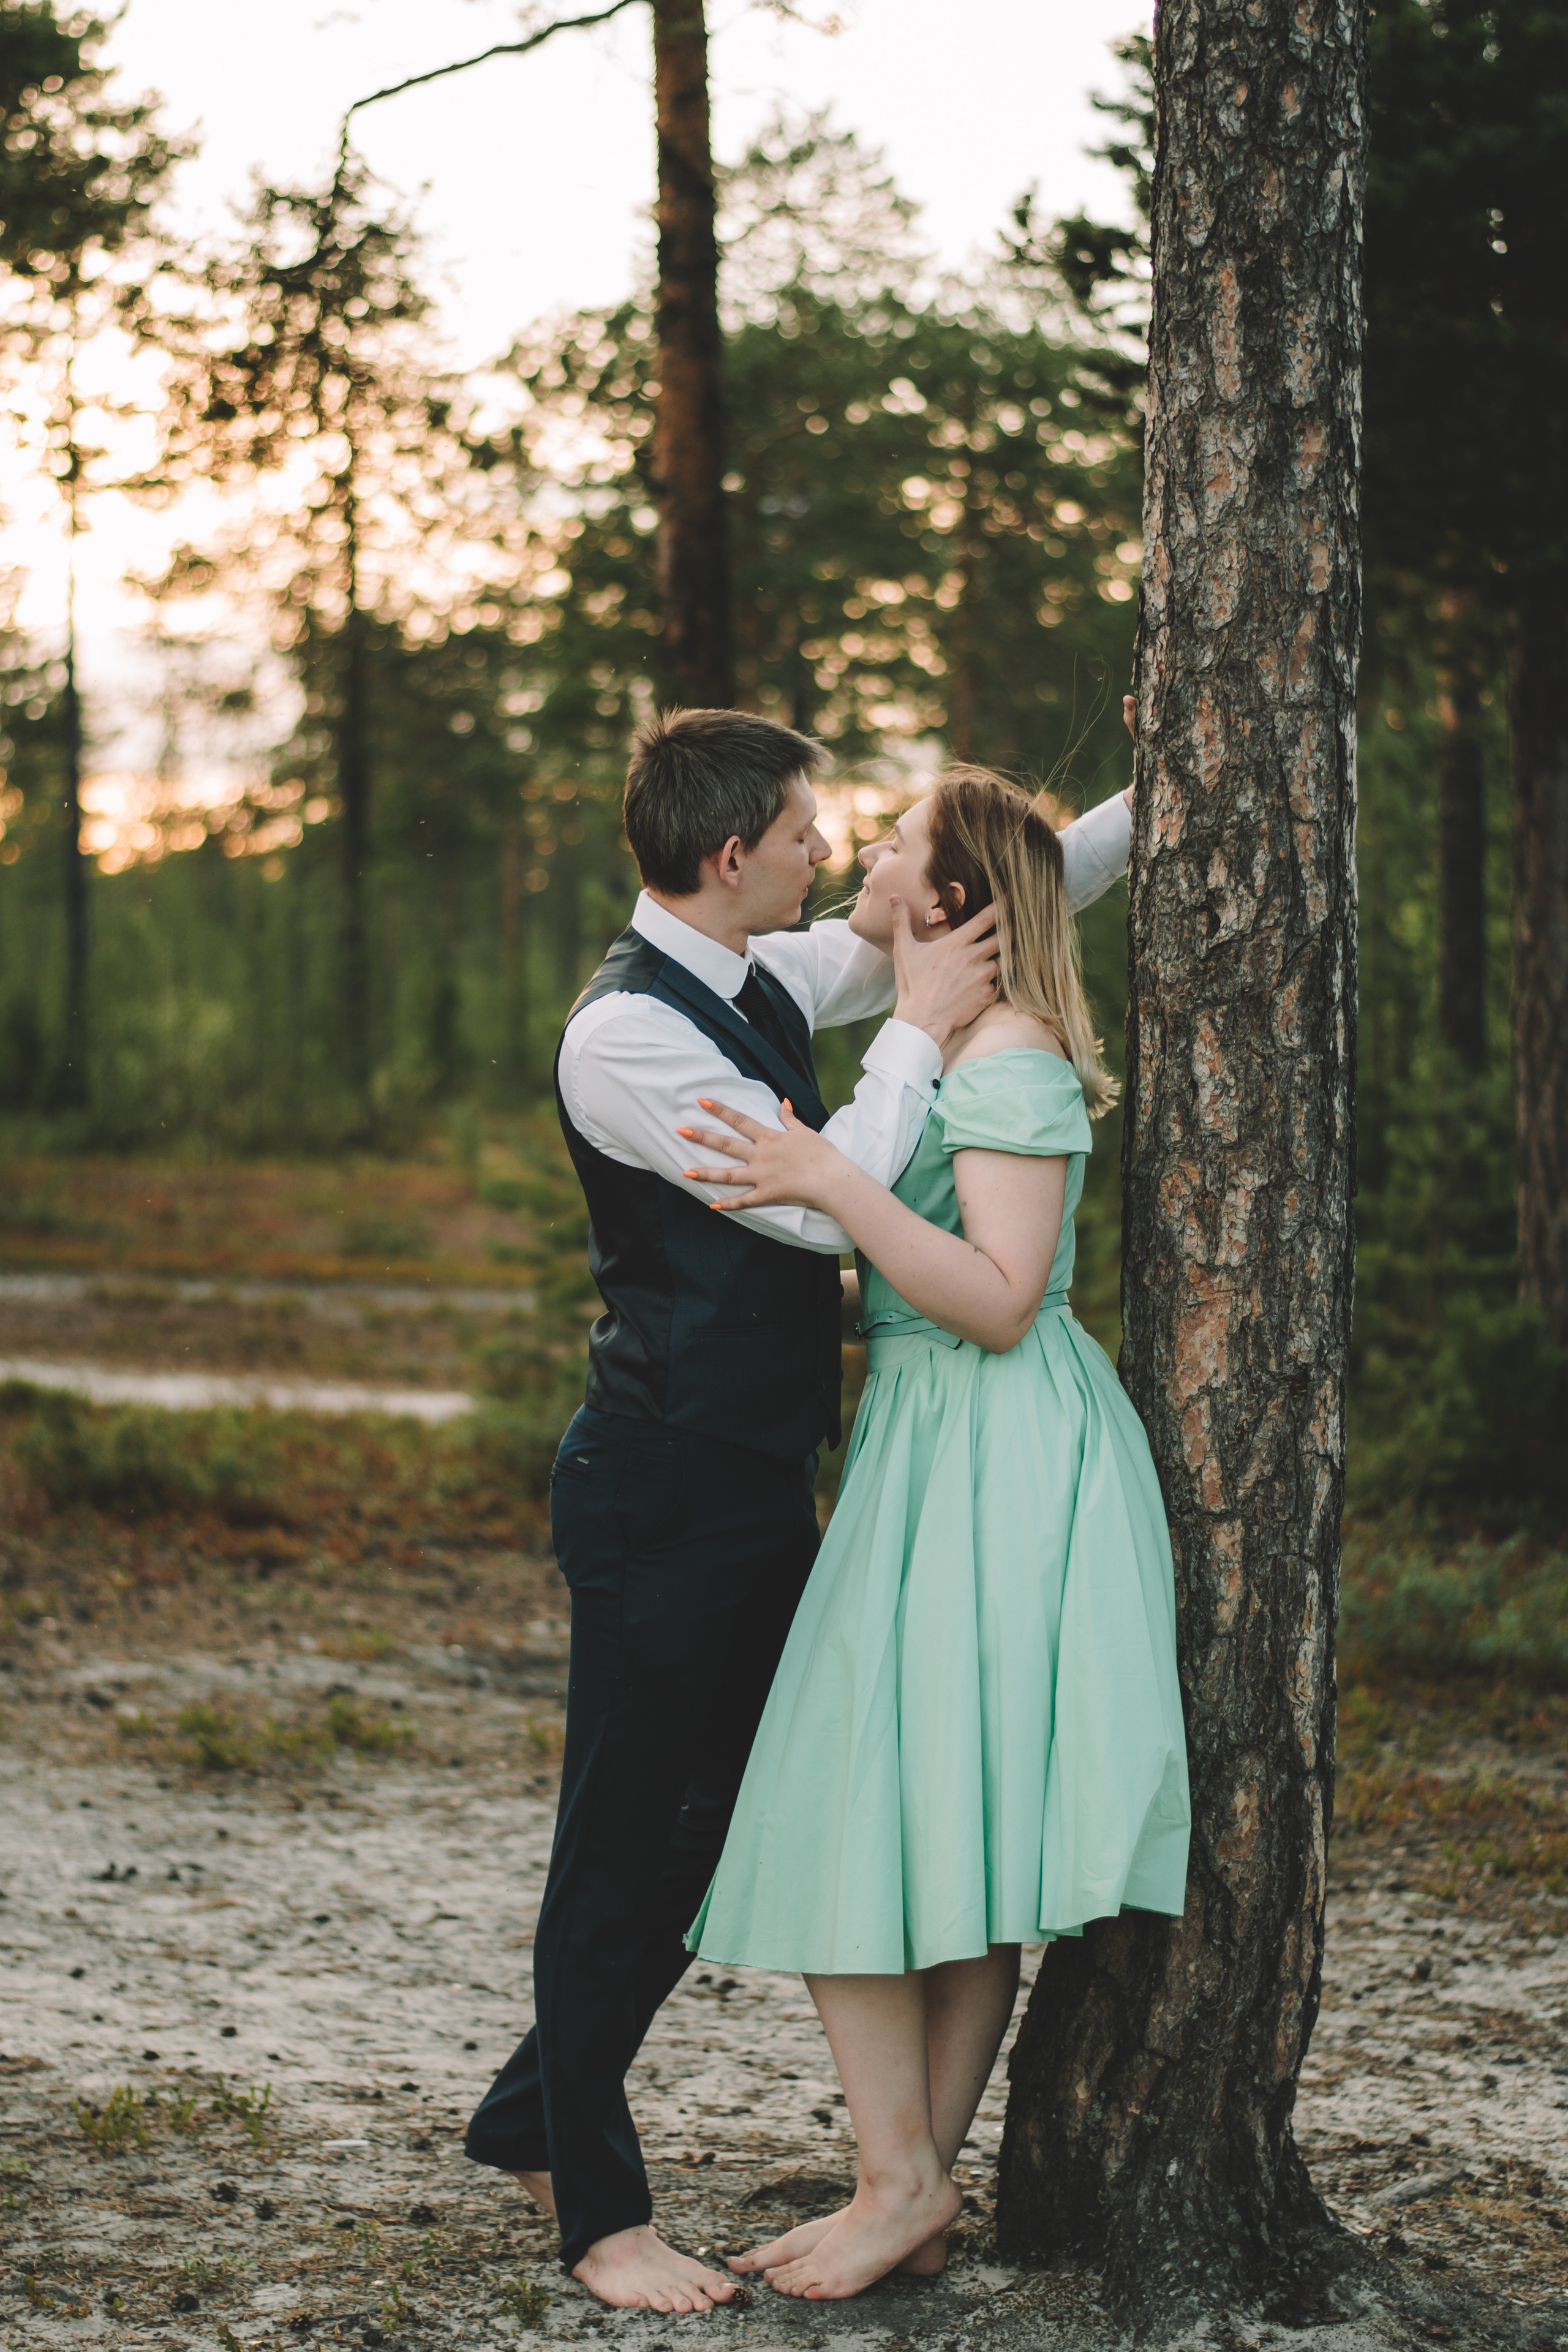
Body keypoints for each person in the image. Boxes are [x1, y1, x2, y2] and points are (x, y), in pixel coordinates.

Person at [462, 706, 1137, 2316]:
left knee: (715, 1828)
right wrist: (909, 1025)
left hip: (760, 1484)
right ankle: (597, 2217)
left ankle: (524, 2112)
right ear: (729, 854)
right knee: (623, 1844)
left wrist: (1172, 775)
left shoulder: (757, 969)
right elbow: (816, 1210)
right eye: (807, 835)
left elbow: (1005, 890)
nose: (831, 856)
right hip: (660, 1481)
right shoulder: (625, 1037)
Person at [676, 755, 1191, 2304]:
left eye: (891, 841)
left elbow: (998, 1296)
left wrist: (835, 1181)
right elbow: (929, 1274)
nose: (860, 855)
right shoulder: (958, 1035)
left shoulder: (1012, 1055)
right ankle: (904, 2184)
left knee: (858, 1797)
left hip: (996, 1453)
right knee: (943, 1823)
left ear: (946, 898)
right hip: (936, 1443)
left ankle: (901, 2178)